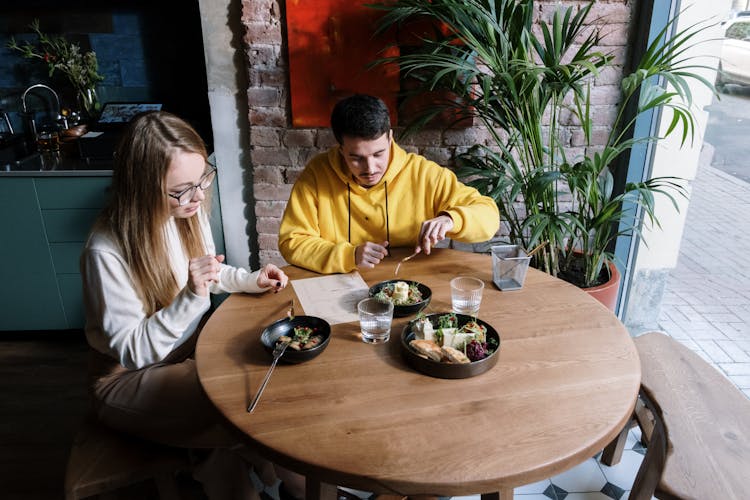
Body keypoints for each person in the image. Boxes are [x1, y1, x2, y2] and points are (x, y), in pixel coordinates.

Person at [80, 110, 288, 499]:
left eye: (202, 180)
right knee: (237, 401)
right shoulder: (105, 251)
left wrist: (249, 280)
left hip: (188, 352)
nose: (197, 197)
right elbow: (137, 351)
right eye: (181, 189)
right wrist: (191, 298)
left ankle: (262, 479)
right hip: (125, 377)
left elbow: (208, 272)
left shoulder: (185, 212)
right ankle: (268, 479)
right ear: (141, 188)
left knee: (258, 374)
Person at [278, 94, 500, 274]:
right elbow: (292, 241)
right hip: (340, 285)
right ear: (340, 147)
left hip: (411, 283)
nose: (370, 168)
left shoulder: (423, 173)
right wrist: (349, 255)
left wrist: (451, 219)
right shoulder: (317, 174)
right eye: (356, 157)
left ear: (390, 137)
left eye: (379, 153)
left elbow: (489, 217)